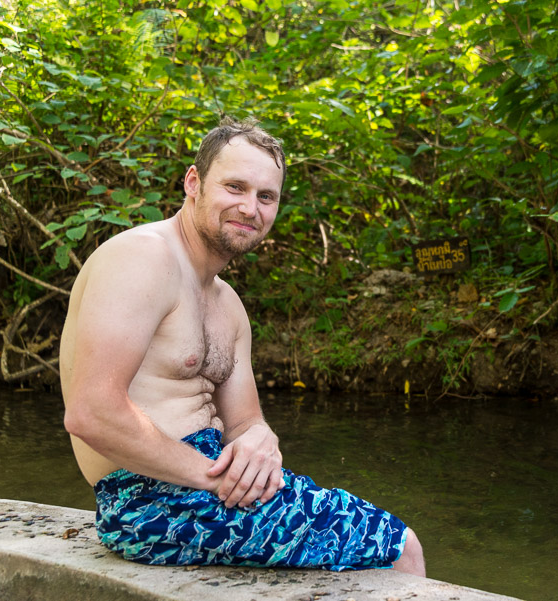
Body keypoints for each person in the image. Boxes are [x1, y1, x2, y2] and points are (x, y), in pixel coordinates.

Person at [59, 117, 425, 575]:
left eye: (265, 196)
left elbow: (246, 422)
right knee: (399, 548)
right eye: (235, 187)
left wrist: (262, 440)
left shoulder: (227, 304)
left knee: (373, 548)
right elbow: (91, 412)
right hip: (148, 499)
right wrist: (213, 478)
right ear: (194, 182)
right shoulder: (142, 258)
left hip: (207, 486)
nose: (250, 207)